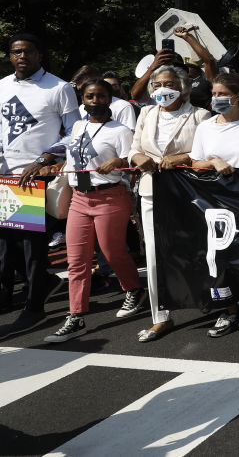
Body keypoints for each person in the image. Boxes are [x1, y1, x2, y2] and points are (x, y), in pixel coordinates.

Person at [41, 78, 143, 343]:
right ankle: (76, 316)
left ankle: (133, 289)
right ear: (82, 100)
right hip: (79, 199)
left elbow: (133, 163)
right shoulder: (77, 125)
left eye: (100, 96)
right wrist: (54, 165)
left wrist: (118, 162)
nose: (95, 101)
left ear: (110, 99)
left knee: (112, 252)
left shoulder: (120, 130)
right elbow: (74, 155)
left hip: (109, 198)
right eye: (89, 97)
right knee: (77, 260)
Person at [0, 34, 79, 333]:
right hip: (6, 176)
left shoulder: (59, 88)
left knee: (33, 247)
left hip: (36, 177)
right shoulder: (3, 86)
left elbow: (74, 132)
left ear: (39, 55)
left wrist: (46, 158)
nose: (22, 56)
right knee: (7, 245)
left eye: (28, 51)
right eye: (16, 52)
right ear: (10, 56)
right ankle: (32, 288)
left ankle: (35, 306)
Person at [128, 64, 211, 342]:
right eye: (158, 85)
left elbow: (206, 152)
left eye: (169, 84)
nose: (163, 89)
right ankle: (160, 317)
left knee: (198, 250)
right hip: (152, 192)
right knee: (154, 256)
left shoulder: (200, 115)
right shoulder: (146, 113)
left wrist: (183, 158)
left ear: (183, 86)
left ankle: (218, 304)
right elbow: (134, 149)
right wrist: (138, 158)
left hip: (189, 193)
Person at [190, 73, 239, 338]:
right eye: (213, 94)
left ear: (237, 96)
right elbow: (195, 163)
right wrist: (213, 161)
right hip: (213, 203)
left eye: (221, 94)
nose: (215, 99)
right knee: (219, 257)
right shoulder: (205, 127)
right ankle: (228, 309)